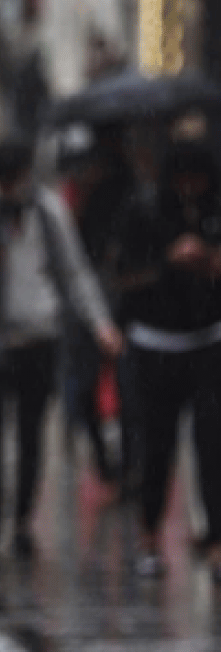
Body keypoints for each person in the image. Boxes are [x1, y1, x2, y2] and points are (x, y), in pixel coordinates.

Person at [0, 137, 123, 557]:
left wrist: (100, 323)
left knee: (31, 432)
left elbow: (74, 271)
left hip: (38, 339)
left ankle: (24, 518)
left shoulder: (48, 213)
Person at [111, 141, 221, 579]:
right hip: (155, 345)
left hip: (209, 340)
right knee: (156, 446)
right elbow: (122, 275)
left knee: (213, 447)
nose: (191, 189)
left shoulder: (214, 210)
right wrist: (169, 263)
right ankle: (149, 535)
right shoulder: (142, 211)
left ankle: (215, 538)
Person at [56, 126, 133, 486]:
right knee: (84, 381)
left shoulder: (127, 190)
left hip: (119, 294)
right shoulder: (70, 195)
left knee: (127, 382)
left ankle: (128, 462)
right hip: (85, 299)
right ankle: (103, 457)